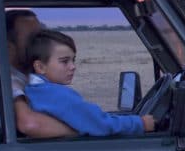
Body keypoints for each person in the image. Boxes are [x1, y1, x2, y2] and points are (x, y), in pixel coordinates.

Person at [25, 29, 155, 136]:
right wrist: (140, 123)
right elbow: (99, 123)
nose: (73, 66)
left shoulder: (35, 91)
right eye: (64, 61)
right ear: (40, 67)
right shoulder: (54, 95)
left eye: (73, 60)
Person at [6, 9, 78, 138]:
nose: (41, 42)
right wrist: (82, 131)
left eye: (41, 35)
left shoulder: (32, 76)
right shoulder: (9, 80)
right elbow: (28, 123)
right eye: (33, 38)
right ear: (8, 46)